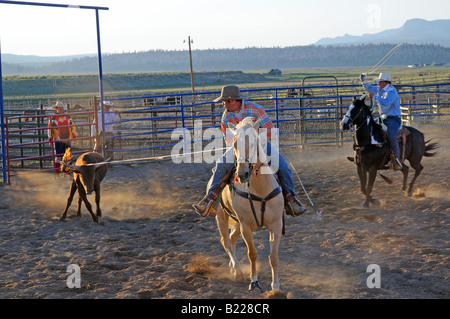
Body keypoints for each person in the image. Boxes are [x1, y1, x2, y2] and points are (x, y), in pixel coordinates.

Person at [193, 85, 307, 218]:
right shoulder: (226, 116)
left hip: (261, 145)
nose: (223, 104)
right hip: (239, 148)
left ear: (232, 100)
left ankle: (290, 200)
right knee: (220, 165)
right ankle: (210, 201)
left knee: (283, 167)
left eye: (224, 101)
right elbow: (228, 139)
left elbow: (270, 130)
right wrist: (240, 142)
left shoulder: (256, 109)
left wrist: (255, 140)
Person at [361, 73, 402, 171]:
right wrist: (363, 80)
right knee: (368, 128)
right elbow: (369, 88)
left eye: (380, 81)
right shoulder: (379, 89)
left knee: (392, 137)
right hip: (383, 117)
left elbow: (386, 102)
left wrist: (374, 97)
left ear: (385, 82)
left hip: (393, 119)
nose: (378, 83)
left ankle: (397, 159)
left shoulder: (392, 91)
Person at [48, 101, 77, 173]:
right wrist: (50, 136)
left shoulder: (67, 116)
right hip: (58, 139)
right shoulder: (53, 117)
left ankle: (67, 171)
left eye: (62, 107)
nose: (61, 109)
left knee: (68, 155)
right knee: (58, 156)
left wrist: (73, 135)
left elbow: (72, 125)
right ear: (56, 108)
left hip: (67, 138)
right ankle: (57, 172)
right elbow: (49, 127)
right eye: (59, 107)